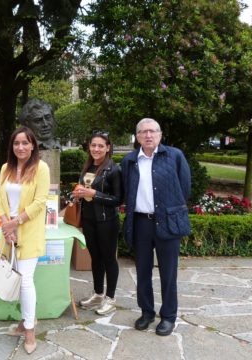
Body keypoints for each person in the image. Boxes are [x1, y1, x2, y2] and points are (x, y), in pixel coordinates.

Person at [121, 118, 191, 336]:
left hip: (167, 221)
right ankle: (147, 312)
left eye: (152, 131)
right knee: (142, 271)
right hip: (141, 222)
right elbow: (126, 190)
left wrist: (171, 210)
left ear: (160, 135)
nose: (148, 135)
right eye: (143, 132)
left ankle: (168, 316)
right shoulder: (130, 161)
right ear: (137, 137)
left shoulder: (174, 156)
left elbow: (185, 188)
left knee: (168, 273)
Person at [0, 126, 50, 355]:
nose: (20, 147)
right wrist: (6, 225)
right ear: (12, 146)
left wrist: (15, 222)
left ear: (33, 146)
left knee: (26, 280)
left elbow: (40, 203)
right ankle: (24, 322)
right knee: (18, 280)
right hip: (9, 235)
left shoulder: (41, 168)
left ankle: (29, 330)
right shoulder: (5, 168)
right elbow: (0, 199)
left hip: (28, 233)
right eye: (16, 143)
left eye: (25, 143)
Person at [74, 131, 123, 315]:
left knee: (109, 259)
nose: (96, 149)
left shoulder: (114, 169)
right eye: (93, 145)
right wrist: (78, 193)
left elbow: (118, 199)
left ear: (108, 148)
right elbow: (85, 190)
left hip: (106, 221)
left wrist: (95, 194)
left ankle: (110, 298)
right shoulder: (88, 165)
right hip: (89, 219)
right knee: (95, 258)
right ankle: (98, 294)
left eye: (100, 146)